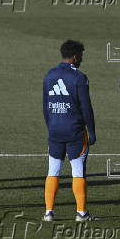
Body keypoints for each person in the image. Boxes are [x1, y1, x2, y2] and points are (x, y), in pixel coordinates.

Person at [42, 40, 97, 222]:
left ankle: (49, 212)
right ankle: (81, 213)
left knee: (53, 170)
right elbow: (86, 108)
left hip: (55, 130)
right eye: (80, 56)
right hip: (74, 130)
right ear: (75, 57)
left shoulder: (49, 75)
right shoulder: (79, 78)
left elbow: (45, 107)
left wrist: (52, 126)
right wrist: (92, 130)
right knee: (78, 170)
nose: (81, 59)